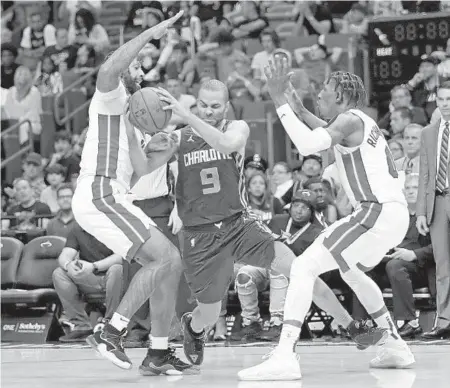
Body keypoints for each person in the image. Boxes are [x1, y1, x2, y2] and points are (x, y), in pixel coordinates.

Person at [153, 79, 386, 368]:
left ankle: (352, 328)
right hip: (199, 236)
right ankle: (194, 328)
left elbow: (227, 144)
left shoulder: (237, 127)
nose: (209, 111)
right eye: (203, 105)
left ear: (226, 106)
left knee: (300, 269)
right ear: (196, 103)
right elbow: (147, 164)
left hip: (239, 225)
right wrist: (147, 134)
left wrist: (185, 115)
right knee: (209, 314)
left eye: (215, 106)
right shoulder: (179, 138)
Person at [238, 62, 415, 380]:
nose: (319, 93)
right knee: (350, 272)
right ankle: (394, 346)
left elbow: (308, 145)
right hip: (393, 214)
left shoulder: (348, 120)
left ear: (342, 95)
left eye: (325, 90)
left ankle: (285, 354)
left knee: (302, 267)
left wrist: (279, 101)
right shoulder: (357, 122)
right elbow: (317, 126)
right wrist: (295, 103)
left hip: (375, 210)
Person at [72, 11, 198, 375]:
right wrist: (149, 34)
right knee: (165, 259)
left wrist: (167, 147)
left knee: (169, 264)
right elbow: (109, 69)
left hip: (115, 194)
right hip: (100, 190)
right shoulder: (111, 99)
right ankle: (110, 332)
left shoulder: (133, 122)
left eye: (143, 68)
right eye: (138, 67)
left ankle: (158, 352)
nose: (142, 73)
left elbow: (141, 169)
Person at [52, 221, 124, 342]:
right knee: (59, 273)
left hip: (116, 277)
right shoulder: (78, 229)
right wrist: (68, 264)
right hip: (90, 277)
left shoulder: (115, 225)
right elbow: (65, 254)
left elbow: (121, 256)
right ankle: (81, 326)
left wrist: (94, 266)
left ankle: (112, 325)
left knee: (117, 268)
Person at [416, 81, 450, 340]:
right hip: (436, 203)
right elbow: (425, 175)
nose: (446, 104)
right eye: (441, 99)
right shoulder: (428, 133)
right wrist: (420, 213)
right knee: (442, 266)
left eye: (449, 99)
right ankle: (445, 321)